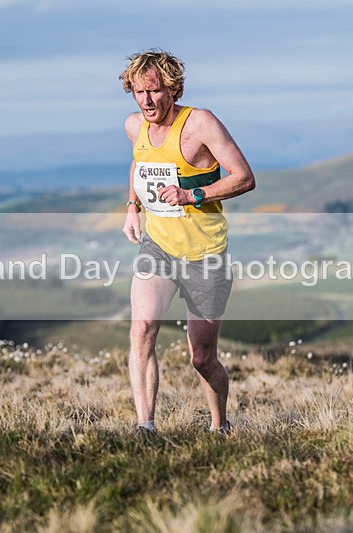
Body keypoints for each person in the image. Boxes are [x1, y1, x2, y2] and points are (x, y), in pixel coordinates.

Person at [119, 50, 255, 434]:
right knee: (142, 330)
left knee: (202, 358)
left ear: (173, 89)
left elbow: (244, 177)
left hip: (204, 254)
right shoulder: (134, 126)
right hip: (158, 247)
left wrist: (192, 196)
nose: (146, 101)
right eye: (137, 91)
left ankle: (220, 425)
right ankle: (145, 428)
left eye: (154, 91)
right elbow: (138, 161)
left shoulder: (200, 124)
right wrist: (132, 207)